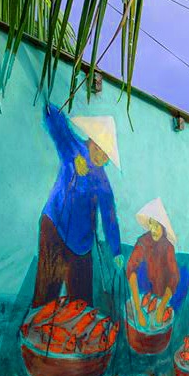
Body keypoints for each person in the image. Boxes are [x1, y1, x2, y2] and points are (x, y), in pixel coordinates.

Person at [34, 105, 123, 308]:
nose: (101, 156)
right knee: (46, 296)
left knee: (82, 304)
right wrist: (74, 159)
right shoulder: (74, 148)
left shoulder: (103, 183)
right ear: (91, 140)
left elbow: (110, 218)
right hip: (55, 229)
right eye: (99, 148)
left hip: (81, 244)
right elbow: (56, 123)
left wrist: (117, 251)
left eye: (106, 154)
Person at [127, 198, 180, 326]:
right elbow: (131, 269)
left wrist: (162, 306)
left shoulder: (168, 247)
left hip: (165, 295)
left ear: (163, 227)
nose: (154, 230)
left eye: (157, 226)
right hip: (145, 292)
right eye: (151, 224)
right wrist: (138, 310)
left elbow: (174, 277)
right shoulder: (143, 241)